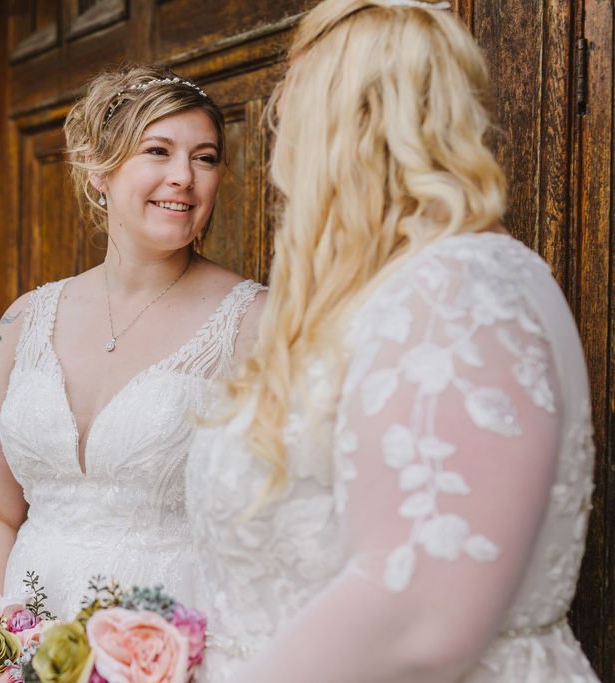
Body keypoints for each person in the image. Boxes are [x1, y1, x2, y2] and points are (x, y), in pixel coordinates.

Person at [186, 1, 600, 681]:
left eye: (289, 109)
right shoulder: (390, 291)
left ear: (340, 125)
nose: (275, 137)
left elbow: (417, 614)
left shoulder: (460, 292)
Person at [0, 64, 266, 619]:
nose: (183, 177)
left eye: (205, 156)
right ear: (99, 168)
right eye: (158, 150)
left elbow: (279, 520)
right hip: (28, 644)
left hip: (179, 638)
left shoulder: (256, 321)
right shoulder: (25, 321)